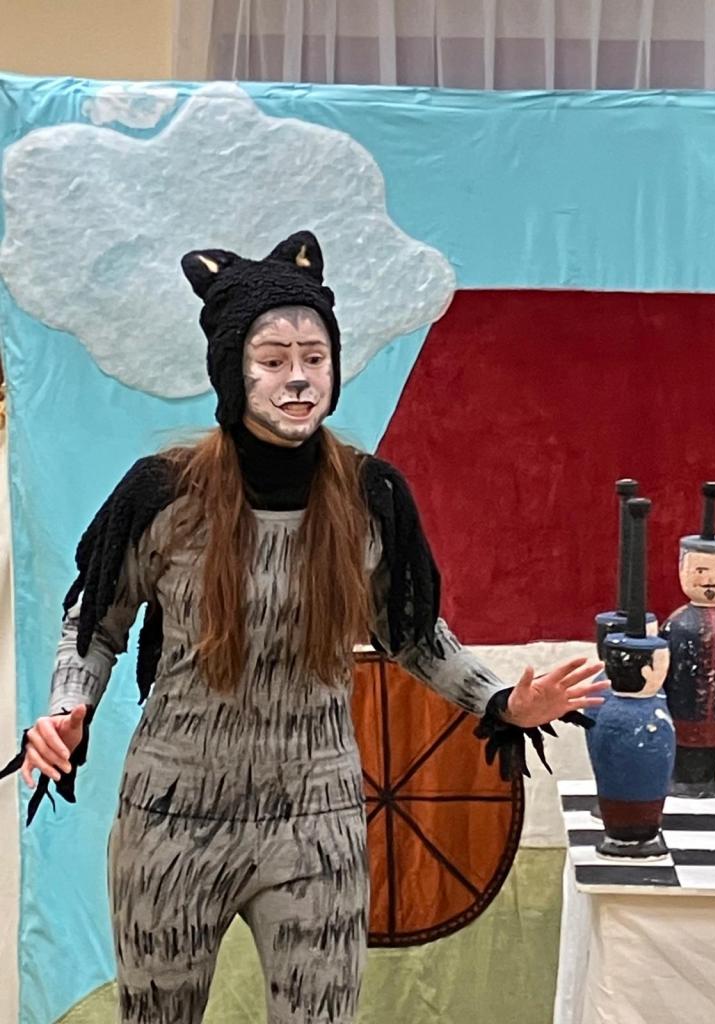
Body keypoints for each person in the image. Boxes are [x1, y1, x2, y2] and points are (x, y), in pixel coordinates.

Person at [1, 231, 606, 1024]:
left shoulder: (369, 498)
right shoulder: (162, 495)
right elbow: (96, 623)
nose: (298, 377)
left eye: (314, 357)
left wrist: (501, 703)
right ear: (232, 369)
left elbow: (414, 635)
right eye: (273, 357)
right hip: (172, 817)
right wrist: (66, 707)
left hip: (317, 820)